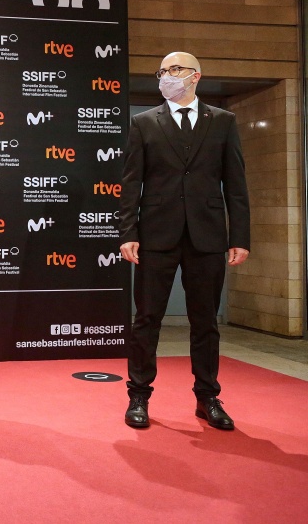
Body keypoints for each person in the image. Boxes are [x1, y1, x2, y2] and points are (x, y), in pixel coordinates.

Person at [119, 52, 250, 430]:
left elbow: (236, 184)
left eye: (175, 69)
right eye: (162, 71)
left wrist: (240, 236)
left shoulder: (223, 121)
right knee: (147, 318)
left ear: (196, 76)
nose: (167, 76)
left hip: (207, 235)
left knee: (206, 321)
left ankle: (208, 397)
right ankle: (138, 395)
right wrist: (128, 232)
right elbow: (131, 183)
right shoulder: (144, 122)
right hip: (156, 234)